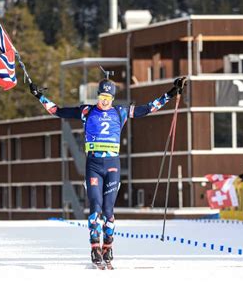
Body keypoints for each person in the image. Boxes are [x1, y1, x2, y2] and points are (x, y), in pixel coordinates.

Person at [29, 75, 187, 267]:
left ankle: (108, 247)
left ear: (113, 99)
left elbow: (147, 109)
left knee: (108, 211)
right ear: (98, 96)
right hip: (93, 165)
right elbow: (58, 111)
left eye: (108, 99)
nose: (104, 102)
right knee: (95, 208)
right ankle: (95, 247)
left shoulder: (120, 112)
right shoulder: (86, 110)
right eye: (102, 98)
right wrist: (39, 96)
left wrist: (171, 92)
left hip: (112, 166)